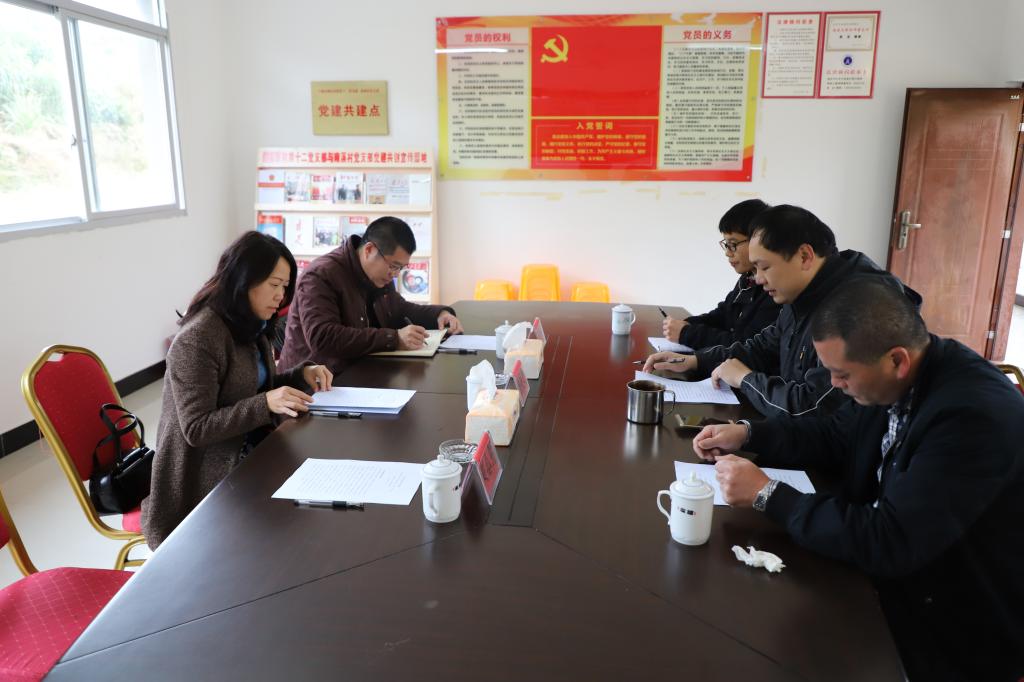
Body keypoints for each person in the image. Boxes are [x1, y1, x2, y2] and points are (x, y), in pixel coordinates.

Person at [692, 278, 1024, 681]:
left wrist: (767, 494)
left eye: (841, 373)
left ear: (897, 360)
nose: (834, 384)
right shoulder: (894, 376)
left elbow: (892, 540)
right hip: (888, 578)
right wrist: (748, 434)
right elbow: (834, 434)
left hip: (951, 623)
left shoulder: (971, 417)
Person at [141, 232, 333, 548]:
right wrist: (265, 404)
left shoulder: (251, 324)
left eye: (285, 287)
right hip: (204, 480)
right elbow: (196, 428)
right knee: (295, 529)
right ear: (243, 281)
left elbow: (256, 389)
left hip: (250, 451)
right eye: (274, 285)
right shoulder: (198, 339)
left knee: (313, 507)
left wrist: (301, 375)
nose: (281, 297)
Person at [644, 205, 921, 418]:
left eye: (764, 267)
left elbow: (813, 406)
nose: (758, 279)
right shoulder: (803, 292)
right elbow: (763, 346)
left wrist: (745, 379)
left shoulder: (855, 310)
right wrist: (697, 360)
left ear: (804, 256)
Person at [278, 216, 463, 374]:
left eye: (400, 268)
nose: (395, 274)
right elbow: (323, 337)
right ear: (369, 250)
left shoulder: (378, 275)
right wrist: (394, 339)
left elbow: (398, 308)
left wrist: (439, 314)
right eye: (393, 266)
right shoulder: (321, 275)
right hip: (312, 387)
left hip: (358, 374)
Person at [662, 199, 780, 349]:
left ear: (758, 241)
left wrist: (687, 333)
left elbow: (746, 345)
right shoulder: (748, 278)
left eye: (733, 244)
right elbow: (723, 315)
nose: (728, 253)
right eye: (726, 244)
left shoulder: (775, 290)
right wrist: (687, 324)